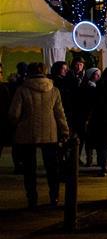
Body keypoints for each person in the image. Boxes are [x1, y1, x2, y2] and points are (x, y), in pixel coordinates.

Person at [8, 62, 69, 208]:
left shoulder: (22, 90)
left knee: (29, 169)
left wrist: (15, 124)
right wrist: (65, 131)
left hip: (27, 132)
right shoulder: (53, 90)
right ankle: (54, 196)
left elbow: (13, 114)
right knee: (52, 167)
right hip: (50, 133)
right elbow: (60, 114)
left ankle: (32, 199)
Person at [79, 67, 101, 166]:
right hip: (88, 116)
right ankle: (89, 159)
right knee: (89, 139)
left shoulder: (95, 86)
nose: (98, 76)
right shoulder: (89, 87)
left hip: (92, 116)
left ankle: (90, 159)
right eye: (96, 74)